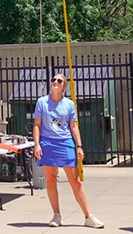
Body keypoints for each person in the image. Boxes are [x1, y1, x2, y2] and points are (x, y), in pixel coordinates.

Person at [33, 74, 105, 228]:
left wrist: (79, 146)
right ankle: (57, 215)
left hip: (65, 143)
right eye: (53, 80)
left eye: (59, 80)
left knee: (75, 181)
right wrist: (37, 144)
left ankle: (88, 216)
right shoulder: (42, 102)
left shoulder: (69, 104)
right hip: (47, 143)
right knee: (51, 181)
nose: (55, 82)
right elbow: (37, 125)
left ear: (64, 86)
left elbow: (73, 126)